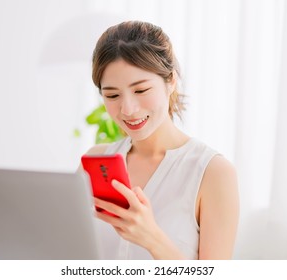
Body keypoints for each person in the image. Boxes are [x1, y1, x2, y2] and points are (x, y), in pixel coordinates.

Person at [82, 20, 239, 260]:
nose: (128, 109)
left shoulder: (213, 173)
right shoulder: (96, 161)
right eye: (112, 95)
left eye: (141, 90)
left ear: (171, 81)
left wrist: (151, 238)